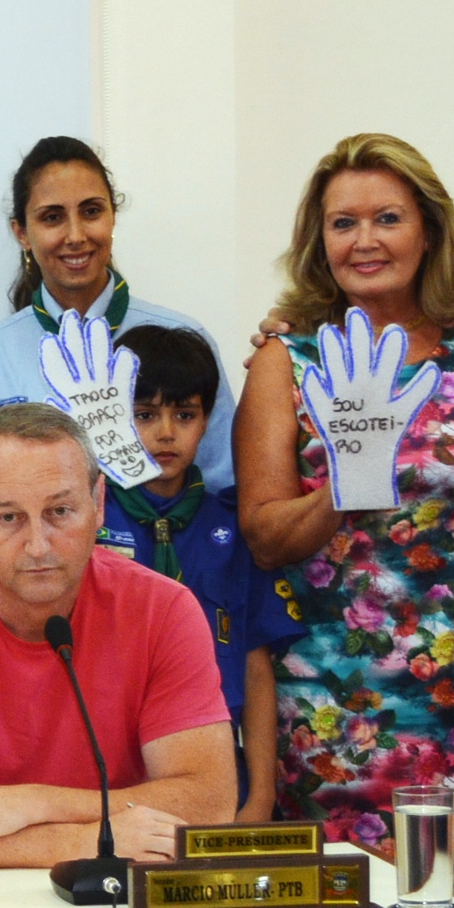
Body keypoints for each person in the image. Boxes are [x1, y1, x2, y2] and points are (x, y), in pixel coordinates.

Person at [234, 136, 454, 877]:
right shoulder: (286, 360)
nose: (364, 241)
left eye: (386, 218)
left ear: (428, 228)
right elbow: (262, 536)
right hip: (332, 711)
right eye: (342, 223)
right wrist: (343, 490)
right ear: (318, 241)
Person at [0, 403, 235, 867]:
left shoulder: (165, 609)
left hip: (119, 904)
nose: (39, 546)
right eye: (9, 518)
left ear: (97, 504)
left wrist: (33, 803)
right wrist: (83, 842)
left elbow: (208, 804)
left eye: (59, 511)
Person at [0, 137, 236, 488]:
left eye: (91, 211)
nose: (76, 235)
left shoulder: (185, 339)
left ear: (113, 215)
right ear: (22, 233)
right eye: (52, 217)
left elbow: (222, 482)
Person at [106, 326, 303, 822]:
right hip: (109, 769)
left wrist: (259, 794)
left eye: (185, 415)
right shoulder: (88, 524)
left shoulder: (234, 527)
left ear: (208, 419)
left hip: (217, 761)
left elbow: (256, 665)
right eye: (145, 415)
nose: (166, 432)